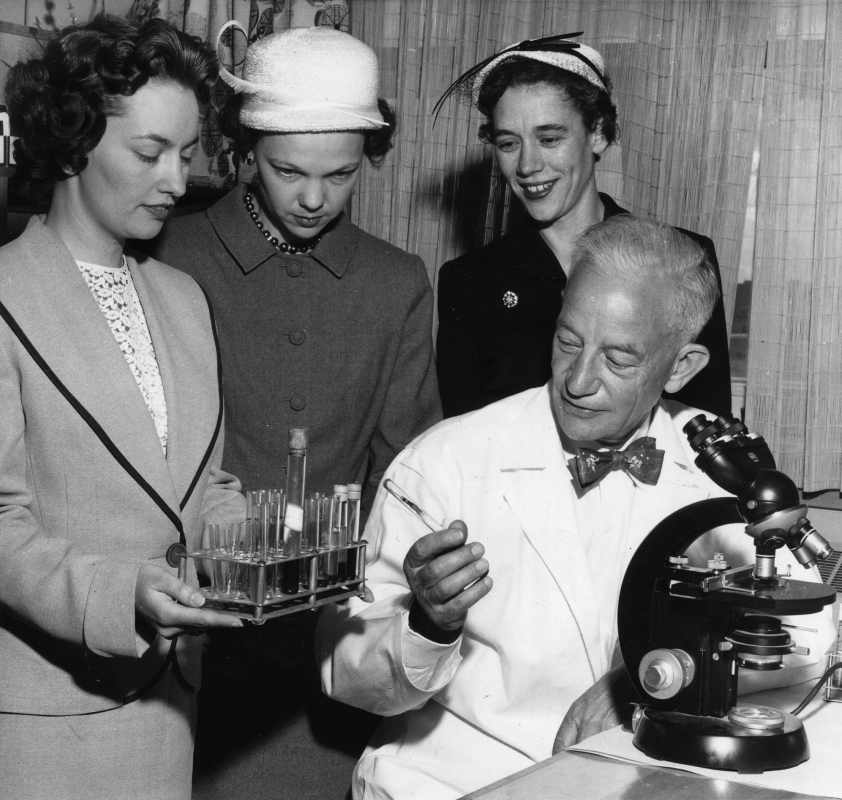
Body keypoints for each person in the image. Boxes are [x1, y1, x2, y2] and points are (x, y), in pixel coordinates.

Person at [317, 216, 834, 800]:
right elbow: (345, 671)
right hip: (454, 783)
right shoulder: (443, 461)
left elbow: (808, 637)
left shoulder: (723, 467)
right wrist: (427, 624)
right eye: (568, 342)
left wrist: (643, 680)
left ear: (681, 367)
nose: (578, 381)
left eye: (618, 359)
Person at [148, 25, 442, 800]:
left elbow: (405, 473)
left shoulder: (396, 282)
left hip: (324, 652)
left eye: (340, 175)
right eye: (288, 171)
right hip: (181, 639)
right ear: (245, 151)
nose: (313, 199)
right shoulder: (168, 256)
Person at [0, 15, 246, 800]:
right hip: (45, 720)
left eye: (186, 153)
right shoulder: (3, 297)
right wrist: (117, 596)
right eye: (149, 153)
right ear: (73, 143)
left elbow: (199, 486)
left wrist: (255, 549)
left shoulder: (184, 298)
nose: (176, 180)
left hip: (170, 707)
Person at [435, 34, 732, 419]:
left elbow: (709, 424)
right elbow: (460, 439)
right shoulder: (469, 281)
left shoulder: (684, 259)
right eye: (508, 144)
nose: (527, 165)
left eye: (549, 138)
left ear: (599, 134)